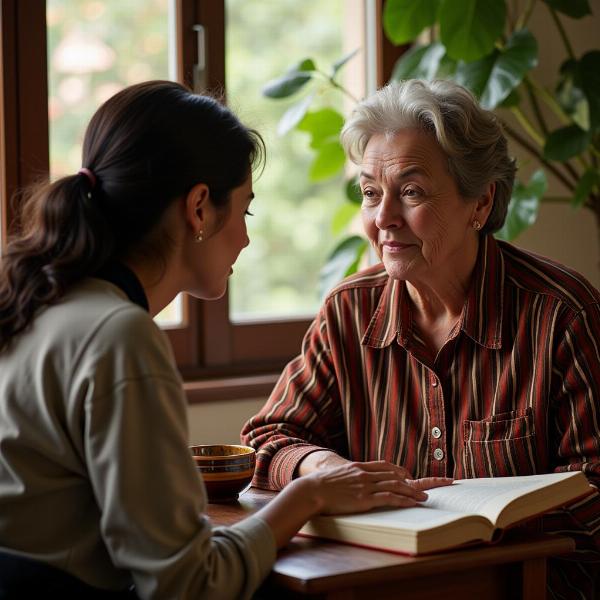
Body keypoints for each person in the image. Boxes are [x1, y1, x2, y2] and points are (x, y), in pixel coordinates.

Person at [0, 81, 452, 599]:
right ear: (198, 209)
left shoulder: (35, 305)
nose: (245, 236)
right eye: (245, 210)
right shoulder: (118, 336)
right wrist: (307, 495)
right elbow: (189, 586)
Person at [242, 79, 600, 598]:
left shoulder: (561, 316)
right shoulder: (349, 312)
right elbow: (267, 439)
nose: (383, 218)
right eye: (370, 193)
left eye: (410, 192)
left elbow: (593, 491)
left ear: (480, 203)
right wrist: (325, 470)